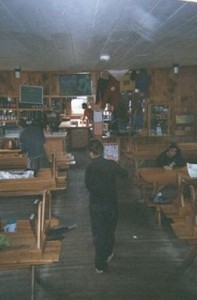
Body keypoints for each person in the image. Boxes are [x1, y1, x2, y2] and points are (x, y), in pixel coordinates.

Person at [85, 139, 128, 273]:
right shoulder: (111, 164)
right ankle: (109, 253)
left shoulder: (90, 167)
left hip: (96, 205)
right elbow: (125, 175)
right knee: (110, 230)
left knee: (99, 234)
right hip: (111, 203)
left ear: (91, 153)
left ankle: (100, 265)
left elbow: (88, 186)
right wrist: (118, 164)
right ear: (102, 151)